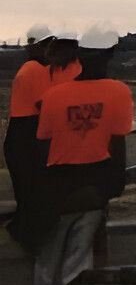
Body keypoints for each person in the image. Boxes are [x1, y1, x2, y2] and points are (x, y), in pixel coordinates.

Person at [33, 31, 132, 285]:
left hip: (55, 192)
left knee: (49, 277)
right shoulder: (118, 93)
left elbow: (45, 147)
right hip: (90, 192)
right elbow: (117, 149)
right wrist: (109, 191)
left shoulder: (55, 96)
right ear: (109, 55)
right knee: (75, 273)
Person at [5, 32, 81, 252]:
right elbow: (44, 105)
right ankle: (31, 239)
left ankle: (24, 231)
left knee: (27, 191)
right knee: (34, 190)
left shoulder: (32, 68)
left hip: (21, 132)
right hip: (28, 133)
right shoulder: (36, 70)